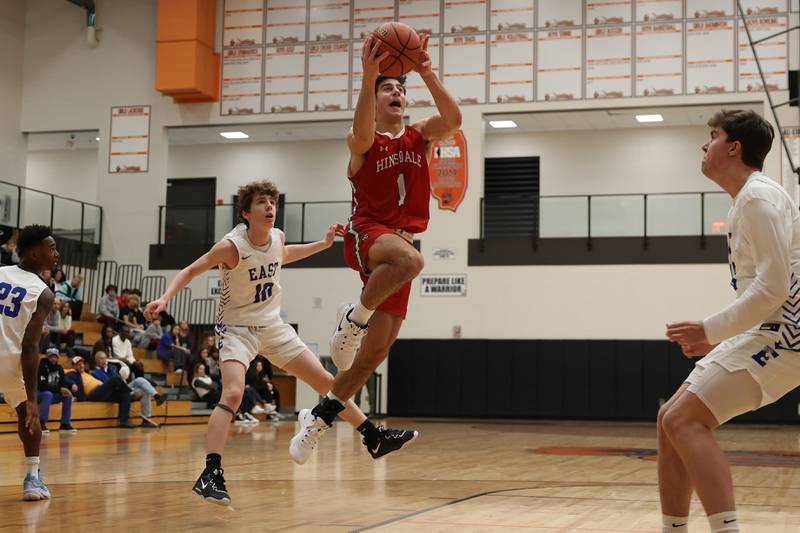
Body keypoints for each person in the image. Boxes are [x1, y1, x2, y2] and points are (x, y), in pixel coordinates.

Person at [144, 180, 415, 506]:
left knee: (329, 382)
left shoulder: (277, 237)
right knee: (232, 392)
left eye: (272, 201)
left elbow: (283, 255)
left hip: (273, 326)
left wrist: (323, 244)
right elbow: (190, 270)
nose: (270, 207)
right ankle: (211, 472)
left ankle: (373, 436)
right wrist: (164, 298)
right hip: (237, 329)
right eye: (261, 202)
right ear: (246, 212)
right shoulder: (231, 246)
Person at [296, 34, 461, 455]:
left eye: (401, 89)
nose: (398, 92)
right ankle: (353, 319)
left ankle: (319, 419)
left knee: (374, 354)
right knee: (411, 260)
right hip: (366, 232)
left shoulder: (420, 135)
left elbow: (455, 120)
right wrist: (369, 75)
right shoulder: (363, 142)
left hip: (399, 248)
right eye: (388, 88)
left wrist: (426, 72)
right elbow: (360, 130)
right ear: (374, 98)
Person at [659, 110, 795, 533]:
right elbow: (765, 294)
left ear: (733, 147)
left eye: (713, 136)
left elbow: (775, 289)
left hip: (790, 335)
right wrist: (723, 340)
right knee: (669, 421)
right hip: (772, 329)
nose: (704, 145)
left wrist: (710, 330)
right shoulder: (747, 200)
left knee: (684, 420)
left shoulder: (758, 198)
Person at [0, 224, 58, 500]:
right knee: (27, 414)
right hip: (9, 361)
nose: (56, 253)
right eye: (51, 248)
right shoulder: (43, 292)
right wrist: (33, 397)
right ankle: (32, 479)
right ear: (35, 254)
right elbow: (30, 345)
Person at [92, 351, 162, 428]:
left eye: (105, 358)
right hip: (113, 393)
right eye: (102, 358)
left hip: (123, 388)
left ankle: (155, 398)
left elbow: (120, 380)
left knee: (140, 380)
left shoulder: (110, 369)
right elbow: (106, 386)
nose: (105, 360)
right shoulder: (95, 373)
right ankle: (130, 392)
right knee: (125, 386)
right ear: (96, 360)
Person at [63, 354, 135, 428]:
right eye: (78, 365)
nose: (81, 366)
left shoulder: (86, 373)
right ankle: (131, 392)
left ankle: (124, 421)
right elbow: (65, 379)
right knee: (115, 379)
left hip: (102, 391)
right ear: (74, 366)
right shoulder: (72, 374)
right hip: (93, 393)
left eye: (82, 364)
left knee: (125, 394)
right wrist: (72, 384)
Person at [37, 347, 76, 433]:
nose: (53, 359)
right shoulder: (41, 367)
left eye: (55, 357)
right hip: (39, 394)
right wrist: (59, 389)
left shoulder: (59, 368)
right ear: (47, 357)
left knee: (68, 396)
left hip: (52, 395)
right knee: (47, 394)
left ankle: (65, 424)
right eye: (51, 357)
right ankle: (41, 423)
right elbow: (41, 386)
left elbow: (63, 382)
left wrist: (66, 388)